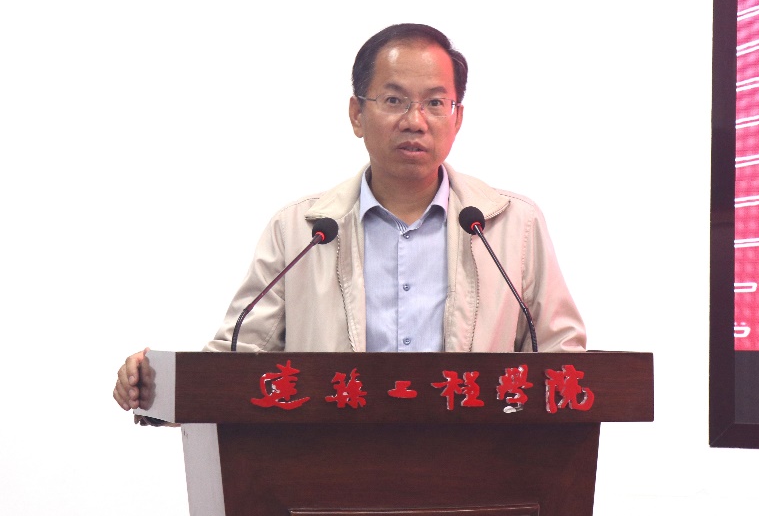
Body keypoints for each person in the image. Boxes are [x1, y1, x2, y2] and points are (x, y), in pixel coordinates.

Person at [113, 23, 585, 413]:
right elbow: (238, 357)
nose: (416, 120)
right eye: (394, 100)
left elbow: (563, 357)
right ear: (357, 114)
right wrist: (156, 381)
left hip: (476, 466)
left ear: (457, 117)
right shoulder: (301, 231)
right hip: (328, 467)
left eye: (435, 102)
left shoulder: (511, 225)